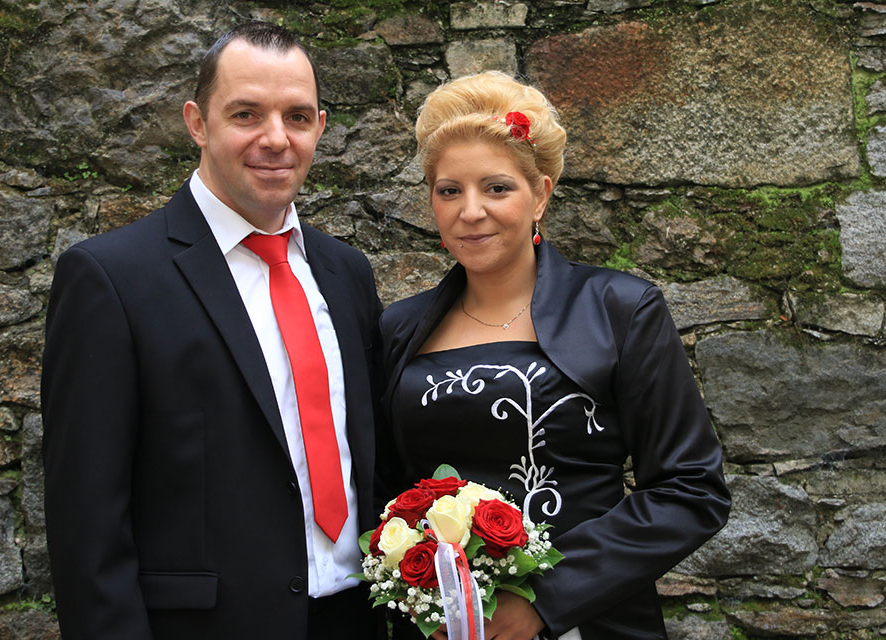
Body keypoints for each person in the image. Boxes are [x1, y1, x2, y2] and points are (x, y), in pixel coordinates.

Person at [41, 21, 384, 640]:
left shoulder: (346, 273)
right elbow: (86, 523)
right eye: (246, 114)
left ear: (320, 128)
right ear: (197, 123)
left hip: (355, 618)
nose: (276, 139)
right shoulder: (110, 279)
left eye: (297, 117)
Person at [379, 71, 731, 640]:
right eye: (449, 190)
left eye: (497, 188)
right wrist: (418, 599)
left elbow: (690, 489)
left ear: (541, 194)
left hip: (591, 622)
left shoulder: (620, 309)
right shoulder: (399, 329)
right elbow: (384, 487)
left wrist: (543, 602)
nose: (471, 211)